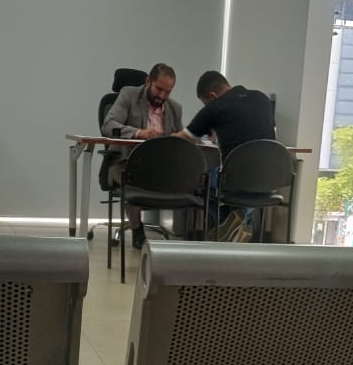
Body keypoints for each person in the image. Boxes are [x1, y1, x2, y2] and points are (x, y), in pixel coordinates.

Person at [177, 71, 275, 240]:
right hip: (271, 179)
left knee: (201, 181)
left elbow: (184, 138)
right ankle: (238, 224)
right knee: (244, 187)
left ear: (213, 96)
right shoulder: (262, 99)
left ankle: (230, 223)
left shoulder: (215, 107)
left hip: (236, 180)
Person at [101, 62, 183, 248]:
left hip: (160, 165)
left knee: (192, 176)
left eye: (168, 92)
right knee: (132, 178)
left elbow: (180, 138)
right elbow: (109, 125)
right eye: (159, 89)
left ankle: (196, 238)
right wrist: (138, 133)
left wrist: (185, 137)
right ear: (148, 81)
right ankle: (137, 230)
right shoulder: (128, 95)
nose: (162, 96)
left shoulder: (175, 109)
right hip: (128, 163)